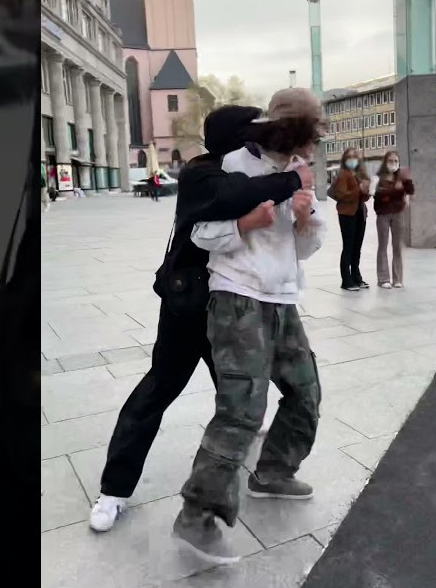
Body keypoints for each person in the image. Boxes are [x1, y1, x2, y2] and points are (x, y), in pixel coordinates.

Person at [88, 105, 311, 533]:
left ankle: (249, 447)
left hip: (234, 306)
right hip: (189, 306)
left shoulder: (254, 168)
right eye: (254, 131)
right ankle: (114, 489)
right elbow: (233, 196)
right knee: (159, 390)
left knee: (243, 391)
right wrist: (292, 181)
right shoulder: (203, 173)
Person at [172, 88, 326, 564]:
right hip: (236, 298)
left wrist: (304, 222)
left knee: (305, 391)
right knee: (242, 409)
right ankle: (197, 515)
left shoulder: (299, 169)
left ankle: (273, 472)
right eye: (300, 135)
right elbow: (200, 233)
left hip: (283, 299)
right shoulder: (232, 165)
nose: (304, 148)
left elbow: (307, 249)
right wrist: (245, 224)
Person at [330, 147, 371, 291]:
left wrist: (365, 191)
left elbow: (364, 197)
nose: (352, 160)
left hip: (360, 213)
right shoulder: (343, 174)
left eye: (355, 157)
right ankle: (346, 280)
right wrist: (358, 189)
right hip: (347, 214)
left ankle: (356, 276)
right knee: (348, 246)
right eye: (349, 157)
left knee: (357, 247)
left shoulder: (359, 174)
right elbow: (342, 194)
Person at [372, 150, 415, 289]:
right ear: (385, 162)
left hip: (398, 213)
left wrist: (406, 182)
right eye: (390, 161)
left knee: (397, 246)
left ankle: (398, 279)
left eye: (396, 161)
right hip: (383, 214)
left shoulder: (401, 176)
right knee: (383, 245)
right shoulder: (378, 178)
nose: (393, 163)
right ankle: (383, 278)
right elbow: (378, 195)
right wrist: (396, 191)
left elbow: (410, 190)